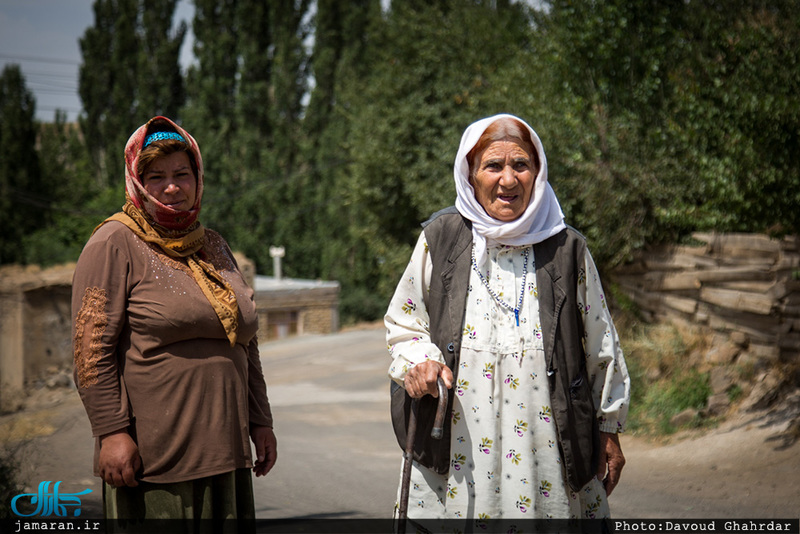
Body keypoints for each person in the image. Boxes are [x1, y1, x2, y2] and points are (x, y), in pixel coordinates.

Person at [386, 114, 630, 527]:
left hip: (548, 443)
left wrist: (608, 426)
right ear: (470, 173)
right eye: (492, 166)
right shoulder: (440, 238)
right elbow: (405, 323)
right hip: (458, 441)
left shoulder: (567, 248)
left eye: (520, 165)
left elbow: (600, 341)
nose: (508, 179)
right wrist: (419, 363)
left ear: (538, 172)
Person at [71, 116, 277, 525]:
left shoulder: (213, 245)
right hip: (154, 460)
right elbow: (89, 351)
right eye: (156, 176)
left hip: (226, 452)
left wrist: (260, 420)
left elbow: (244, 341)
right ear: (136, 180)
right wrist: (112, 432)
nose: (171, 186)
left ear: (197, 178)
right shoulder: (114, 243)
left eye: (182, 174)